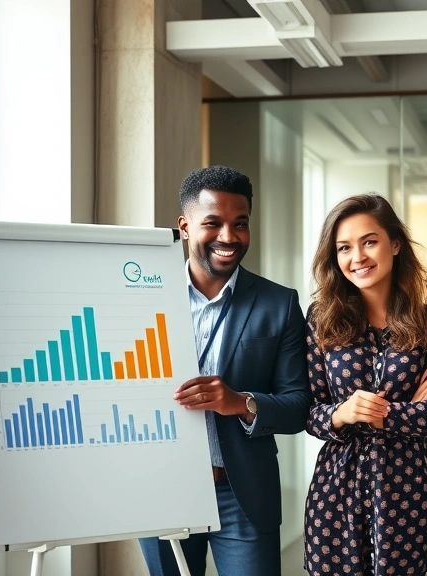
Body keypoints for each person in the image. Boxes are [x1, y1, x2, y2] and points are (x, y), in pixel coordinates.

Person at [138, 165, 311, 576]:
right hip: (164, 487)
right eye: (213, 223)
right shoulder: (144, 298)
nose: (229, 237)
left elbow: (298, 406)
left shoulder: (279, 304)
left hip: (242, 494)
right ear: (185, 227)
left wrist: (240, 402)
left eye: (241, 224)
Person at [303, 193, 427, 576]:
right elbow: (310, 412)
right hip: (336, 491)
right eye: (344, 247)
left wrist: (380, 414)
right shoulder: (321, 320)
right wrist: (343, 413)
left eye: (369, 241)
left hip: (407, 491)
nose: (358, 257)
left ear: (395, 244)